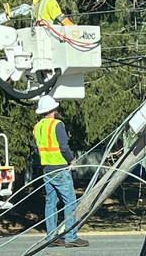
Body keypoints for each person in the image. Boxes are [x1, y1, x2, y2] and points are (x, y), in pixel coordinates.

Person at [33, 95, 89, 248]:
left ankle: (52, 237)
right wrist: (71, 160)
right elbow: (64, 147)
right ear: (54, 110)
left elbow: (36, 149)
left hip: (47, 169)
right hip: (60, 168)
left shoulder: (37, 127)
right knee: (70, 201)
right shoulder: (57, 125)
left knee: (50, 202)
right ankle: (71, 237)